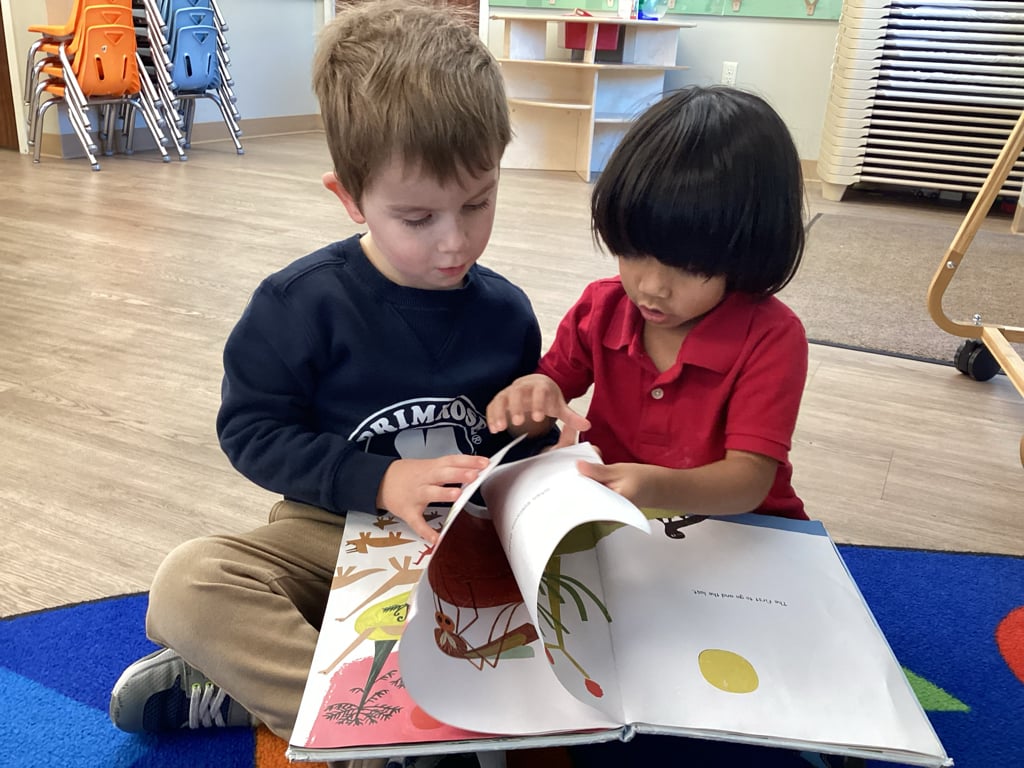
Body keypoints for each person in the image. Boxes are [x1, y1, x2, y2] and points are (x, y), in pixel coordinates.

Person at [108, 0, 551, 754]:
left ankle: (255, 690)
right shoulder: (298, 304)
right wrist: (378, 483)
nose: (455, 242)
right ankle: (376, 718)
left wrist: (538, 422)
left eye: (478, 203)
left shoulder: (506, 311)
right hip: (328, 534)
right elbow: (249, 431)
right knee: (190, 582)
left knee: (605, 584)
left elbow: (512, 455)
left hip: (462, 553)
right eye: (417, 218)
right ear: (349, 198)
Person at [487, 85, 809, 522]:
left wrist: (654, 485)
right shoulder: (601, 309)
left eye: (690, 267)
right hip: (620, 518)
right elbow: (547, 401)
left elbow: (749, 480)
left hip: (744, 529)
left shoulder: (771, 337)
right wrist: (530, 402)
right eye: (634, 252)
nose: (652, 287)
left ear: (749, 249)